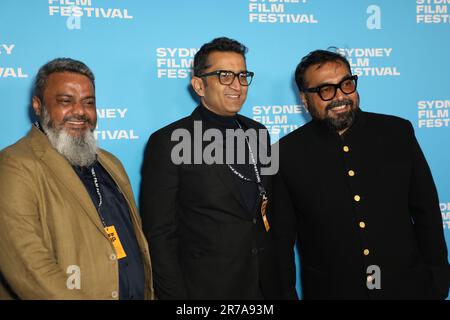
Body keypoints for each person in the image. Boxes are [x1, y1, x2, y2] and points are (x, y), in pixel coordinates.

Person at [272, 49, 450, 300]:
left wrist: (438, 281)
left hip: (408, 288)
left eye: (346, 84)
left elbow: (427, 211)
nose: (340, 96)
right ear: (304, 99)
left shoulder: (397, 133)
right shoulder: (284, 154)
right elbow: (281, 242)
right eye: (325, 90)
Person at [0, 58, 154, 300]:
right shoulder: (14, 165)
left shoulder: (111, 163)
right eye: (65, 101)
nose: (80, 112)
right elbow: (30, 268)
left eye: (88, 102)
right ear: (38, 105)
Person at [140, 37, 280, 299]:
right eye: (224, 76)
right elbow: (159, 236)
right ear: (198, 85)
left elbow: (266, 212)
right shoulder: (169, 142)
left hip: (262, 286)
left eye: (242, 75)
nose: (237, 86)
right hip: (204, 291)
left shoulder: (258, 133)